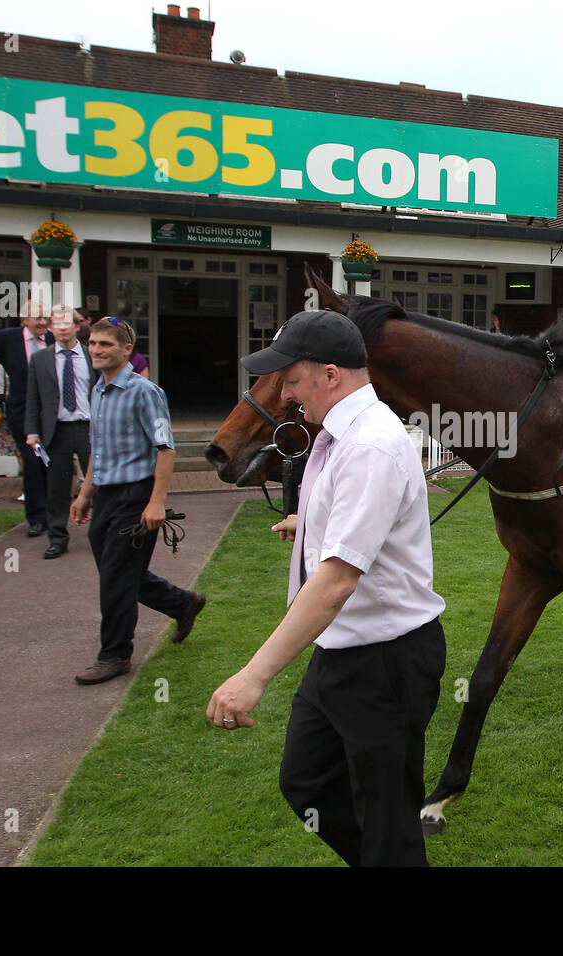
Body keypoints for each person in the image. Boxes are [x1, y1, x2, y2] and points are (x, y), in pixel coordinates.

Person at [207, 310, 447, 867]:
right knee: (307, 783)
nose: (288, 395)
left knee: (386, 819)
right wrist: (310, 524)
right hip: (341, 653)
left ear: (331, 375)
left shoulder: (370, 446)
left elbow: (337, 581)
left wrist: (252, 675)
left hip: (383, 662)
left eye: (292, 380)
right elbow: (350, 527)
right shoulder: (344, 437)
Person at [69, 318, 205, 685]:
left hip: (137, 495)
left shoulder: (145, 392)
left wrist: (156, 501)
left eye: (105, 345)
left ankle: (114, 655)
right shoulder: (98, 390)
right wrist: (85, 495)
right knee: (118, 574)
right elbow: (99, 450)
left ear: (127, 349)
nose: (96, 350)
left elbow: (165, 448)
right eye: (93, 344)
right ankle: (182, 603)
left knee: (116, 578)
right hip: (107, 496)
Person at [0, 300, 54, 536]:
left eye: (46, 316)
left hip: (51, 414)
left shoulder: (53, 339)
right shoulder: (8, 339)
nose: (43, 321)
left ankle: (53, 513)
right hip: (22, 413)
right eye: (37, 317)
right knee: (33, 462)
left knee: (49, 462)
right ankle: (36, 517)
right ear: (23, 319)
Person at [26, 306, 96, 559]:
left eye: (67, 323)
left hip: (89, 428)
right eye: (57, 323)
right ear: (51, 328)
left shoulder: (92, 357)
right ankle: (57, 537)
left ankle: (100, 533)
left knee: (98, 481)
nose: (63, 327)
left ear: (77, 327)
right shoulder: (40, 359)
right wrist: (32, 431)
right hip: (57, 431)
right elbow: (33, 398)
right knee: (57, 487)